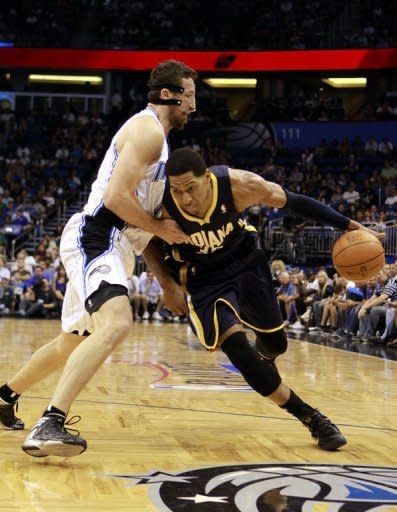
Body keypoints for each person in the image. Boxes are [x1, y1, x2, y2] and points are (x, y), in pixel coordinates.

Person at [0, 60, 197, 457]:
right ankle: (51, 422)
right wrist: (162, 229)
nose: (193, 106)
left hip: (119, 245)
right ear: (168, 95)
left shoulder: (160, 141)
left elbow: (144, 230)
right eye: (190, 96)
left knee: (71, 342)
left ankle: (4, 398)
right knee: (118, 323)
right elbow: (115, 200)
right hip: (99, 237)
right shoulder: (147, 132)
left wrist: (165, 281)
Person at [143, 148, 385, 451]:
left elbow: (295, 202)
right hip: (204, 280)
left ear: (206, 178)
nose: (186, 198)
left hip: (246, 263)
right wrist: (166, 283)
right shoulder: (162, 204)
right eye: (177, 191)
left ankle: (265, 359)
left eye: (190, 188)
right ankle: (311, 417)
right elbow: (146, 242)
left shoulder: (238, 185)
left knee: (275, 344)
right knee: (239, 351)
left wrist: (348, 226)